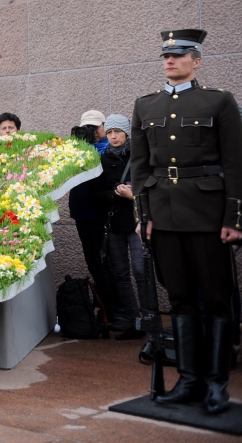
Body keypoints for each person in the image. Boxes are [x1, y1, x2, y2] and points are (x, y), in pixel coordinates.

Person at [131, 29, 242, 414]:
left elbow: (236, 164)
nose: (170, 60)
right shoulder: (145, 105)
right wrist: (143, 216)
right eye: (166, 55)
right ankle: (189, 380)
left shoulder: (219, 101)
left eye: (179, 55)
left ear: (196, 61)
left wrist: (234, 218)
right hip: (163, 218)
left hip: (208, 217)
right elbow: (140, 168)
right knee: (179, 300)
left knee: (216, 300)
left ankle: (216, 385)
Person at [91, 114, 147, 340]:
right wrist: (115, 193)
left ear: (126, 133)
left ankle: (149, 319)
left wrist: (133, 194)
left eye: (118, 132)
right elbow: (95, 194)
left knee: (141, 271)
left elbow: (151, 186)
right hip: (113, 223)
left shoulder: (139, 156)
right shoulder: (102, 160)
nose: (113, 136)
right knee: (121, 274)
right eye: (110, 132)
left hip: (136, 221)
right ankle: (135, 322)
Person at [68, 109, 121, 325]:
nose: (92, 132)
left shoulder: (110, 149)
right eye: (87, 128)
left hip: (102, 215)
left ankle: (114, 311)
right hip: (83, 214)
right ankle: (108, 311)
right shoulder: (76, 151)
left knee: (105, 264)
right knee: (94, 263)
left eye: (95, 127)